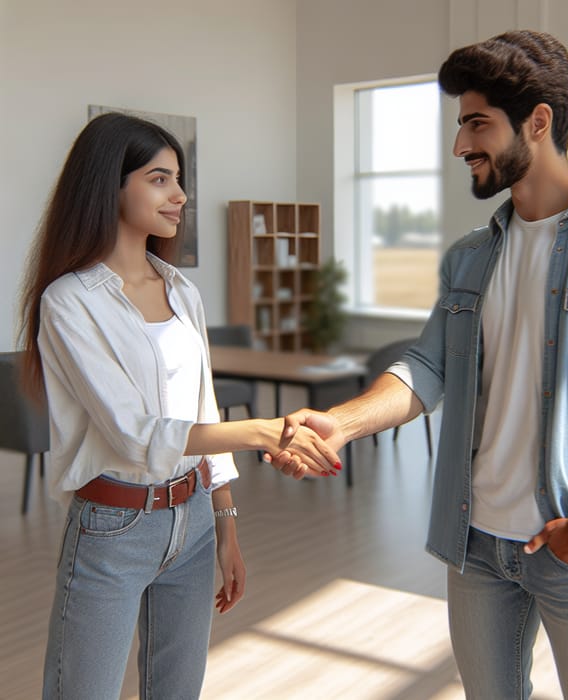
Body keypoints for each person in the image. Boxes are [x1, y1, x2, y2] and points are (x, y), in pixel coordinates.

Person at [272, 31, 568, 699]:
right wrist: (342, 422)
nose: (459, 146)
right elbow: (427, 366)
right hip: (474, 546)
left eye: (477, 123)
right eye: (460, 124)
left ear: (538, 121)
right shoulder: (472, 255)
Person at [19, 112, 341, 700]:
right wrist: (266, 432)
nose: (181, 195)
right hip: (112, 528)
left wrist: (226, 525)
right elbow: (136, 435)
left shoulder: (181, 289)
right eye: (159, 179)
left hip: (192, 520)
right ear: (109, 185)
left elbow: (205, 408)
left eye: (178, 179)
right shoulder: (68, 302)